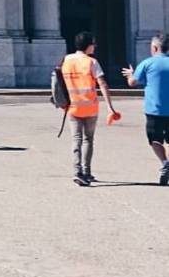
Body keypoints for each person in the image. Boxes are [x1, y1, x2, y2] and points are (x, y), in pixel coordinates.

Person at [61, 31, 119, 186]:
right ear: (88, 45)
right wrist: (110, 107)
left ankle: (77, 171)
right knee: (88, 140)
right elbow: (103, 84)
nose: (95, 46)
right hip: (90, 107)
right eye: (93, 43)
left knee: (76, 139)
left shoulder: (66, 60)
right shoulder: (91, 62)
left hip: (72, 106)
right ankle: (86, 172)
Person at [122, 32, 169, 186]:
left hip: (154, 110)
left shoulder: (147, 63)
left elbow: (133, 82)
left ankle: (164, 162)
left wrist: (130, 74)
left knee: (155, 140)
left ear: (155, 48)